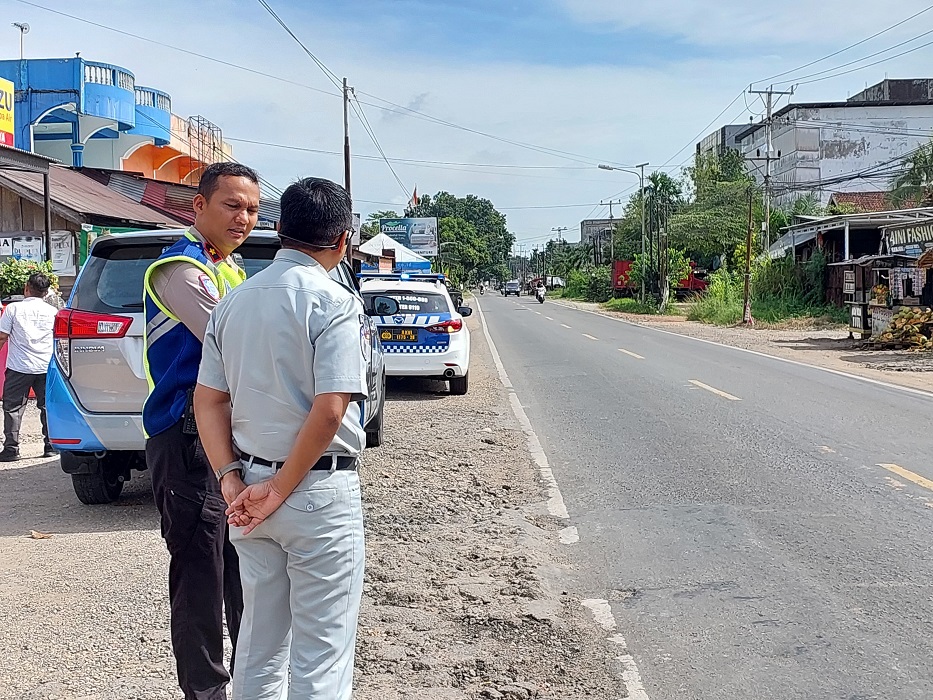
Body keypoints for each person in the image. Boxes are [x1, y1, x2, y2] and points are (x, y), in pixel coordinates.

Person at [195, 177, 368, 699]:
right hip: (314, 492)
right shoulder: (334, 302)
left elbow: (208, 400)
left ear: (277, 230)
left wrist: (230, 480)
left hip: (248, 487)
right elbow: (332, 407)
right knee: (322, 652)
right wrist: (281, 488)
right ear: (342, 240)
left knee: (257, 645)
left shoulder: (232, 302)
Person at [143, 162, 260, 700]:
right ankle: (206, 694)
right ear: (198, 207)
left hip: (231, 440)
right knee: (200, 576)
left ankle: (252, 685)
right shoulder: (180, 269)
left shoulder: (230, 269)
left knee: (244, 571)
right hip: (186, 439)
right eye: (232, 205)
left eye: (253, 209)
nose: (244, 218)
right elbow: (236, 342)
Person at [0, 272, 57, 461]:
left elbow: (2, 336)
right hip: (46, 366)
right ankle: (50, 445)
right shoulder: (53, 312)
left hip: (19, 367)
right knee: (46, 406)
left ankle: (11, 449)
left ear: (26, 288)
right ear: (46, 292)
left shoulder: (13, 309)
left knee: (13, 408)